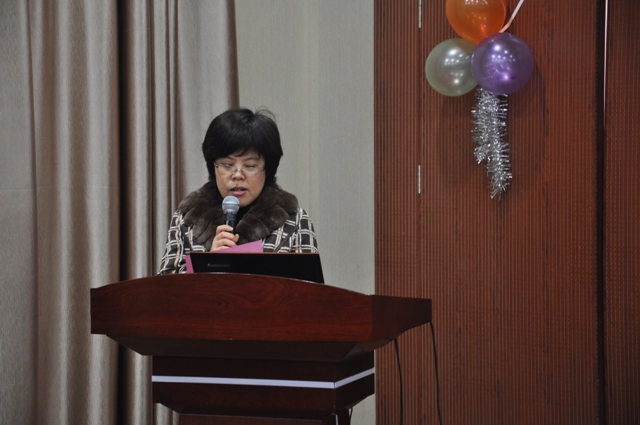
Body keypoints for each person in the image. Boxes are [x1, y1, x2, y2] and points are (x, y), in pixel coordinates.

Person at [158, 108, 318, 274]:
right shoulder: (187, 216)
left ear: (267, 169)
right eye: (227, 165)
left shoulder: (294, 219)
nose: (238, 175)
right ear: (213, 167)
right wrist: (209, 263)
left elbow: (310, 287)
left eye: (250, 166)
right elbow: (166, 285)